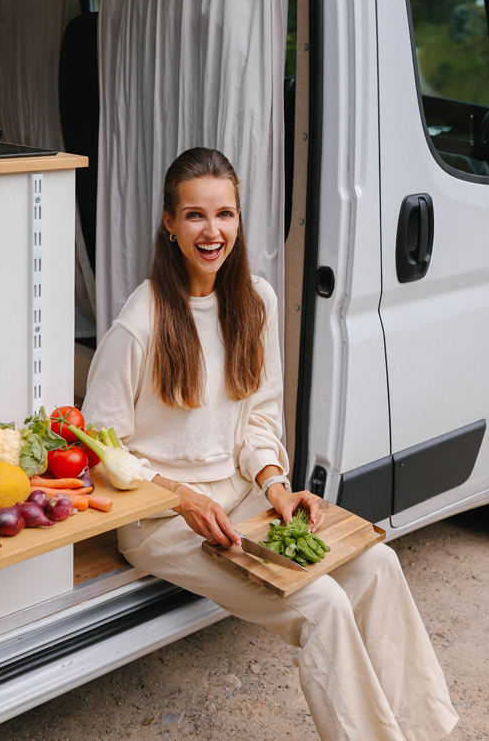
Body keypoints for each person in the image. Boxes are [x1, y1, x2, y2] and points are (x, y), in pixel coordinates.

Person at [82, 147, 458, 741]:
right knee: (325, 608)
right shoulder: (141, 320)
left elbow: (257, 418)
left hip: (239, 498)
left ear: (238, 219)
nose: (212, 231)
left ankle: (430, 731)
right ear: (169, 223)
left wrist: (276, 486)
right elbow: (104, 454)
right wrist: (181, 498)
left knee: (379, 563)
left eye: (224, 214)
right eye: (195, 216)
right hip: (161, 521)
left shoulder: (255, 301)